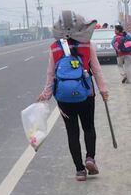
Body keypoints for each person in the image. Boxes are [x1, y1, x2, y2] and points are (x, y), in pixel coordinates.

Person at [38, 10, 108, 181]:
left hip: (63, 98)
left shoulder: (54, 48)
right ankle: (90, 158)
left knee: (72, 131)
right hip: (86, 93)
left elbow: (51, 74)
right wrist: (103, 90)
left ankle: (80, 171)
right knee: (89, 127)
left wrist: (46, 93)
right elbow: (97, 70)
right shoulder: (87, 45)